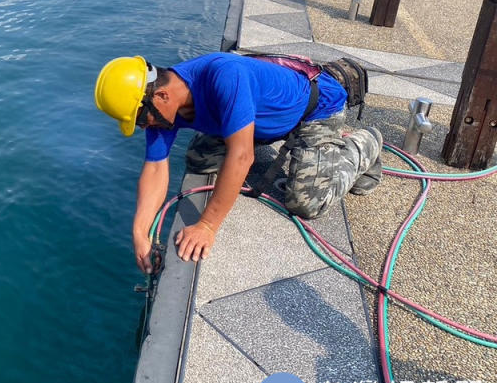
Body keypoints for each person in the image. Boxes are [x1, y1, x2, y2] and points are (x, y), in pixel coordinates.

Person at [93, 53, 382, 271]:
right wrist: (139, 233)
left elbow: (243, 156)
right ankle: (273, 135)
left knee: (306, 202)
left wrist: (207, 225)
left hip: (315, 108)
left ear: (161, 94)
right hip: (258, 121)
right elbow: (156, 167)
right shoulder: (162, 107)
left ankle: (364, 144)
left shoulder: (222, 75)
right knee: (199, 159)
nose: (145, 126)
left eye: (142, 118)